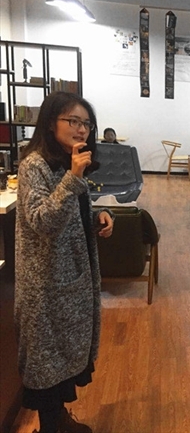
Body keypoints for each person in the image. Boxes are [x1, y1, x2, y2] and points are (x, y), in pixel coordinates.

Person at [15, 91, 114, 433]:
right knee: (47, 362)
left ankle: (58, 421)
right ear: (50, 123)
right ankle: (50, 426)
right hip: (46, 285)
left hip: (70, 279)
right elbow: (42, 221)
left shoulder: (69, 162)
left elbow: (71, 211)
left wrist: (98, 216)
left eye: (86, 123)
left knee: (62, 358)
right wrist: (73, 177)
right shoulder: (34, 166)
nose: (81, 129)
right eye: (73, 121)